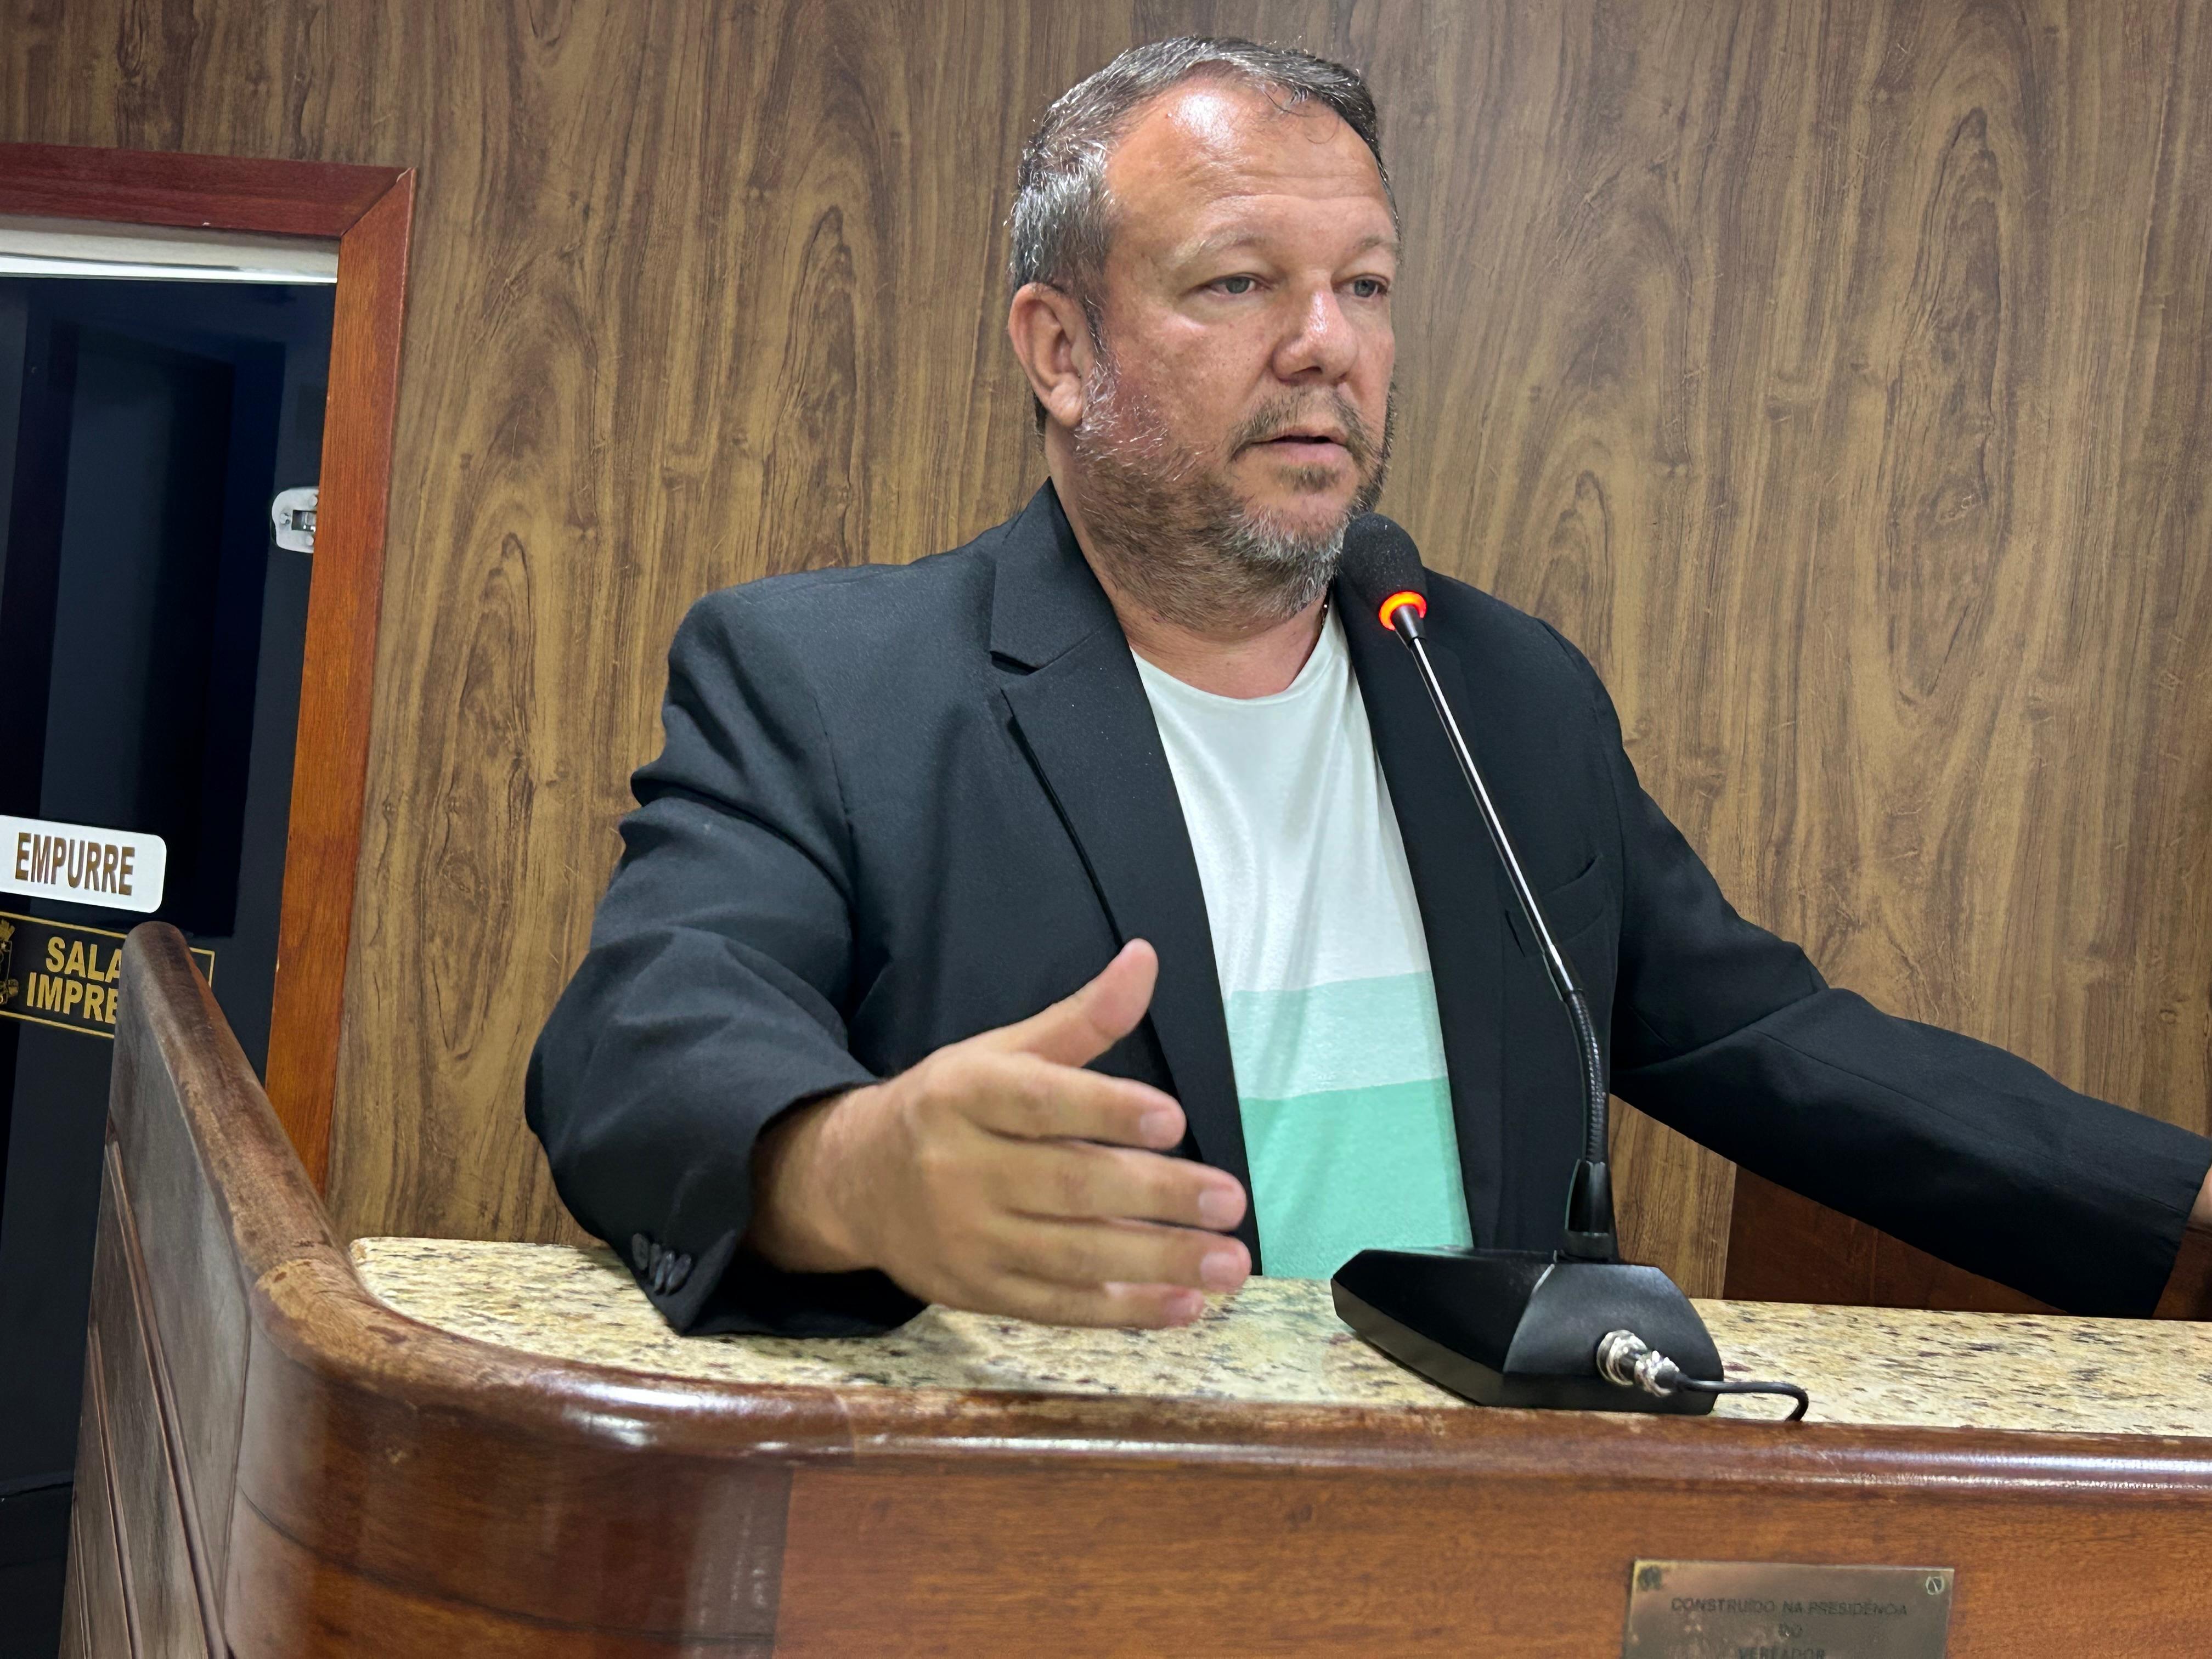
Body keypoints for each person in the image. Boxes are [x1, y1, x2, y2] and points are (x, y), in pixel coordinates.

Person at [527, 38, 2212, 1338]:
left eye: (1368, 287)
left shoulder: (1500, 692)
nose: (1326, 342)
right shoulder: (832, 681)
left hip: (1462, 1552)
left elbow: (1765, 1039)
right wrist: (853, 1169)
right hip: (1038, 1550)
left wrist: (2184, 1209)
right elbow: (639, 1040)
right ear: (1059, 349)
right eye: (1241, 282)